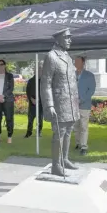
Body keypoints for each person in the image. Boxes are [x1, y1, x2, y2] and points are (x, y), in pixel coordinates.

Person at [40, 28, 80, 176]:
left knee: (69, 130)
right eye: (67, 37)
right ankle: (56, 165)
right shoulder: (52, 56)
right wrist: (49, 104)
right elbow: (46, 83)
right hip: (58, 102)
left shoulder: (67, 56)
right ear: (58, 39)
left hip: (70, 101)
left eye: (70, 37)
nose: (70, 40)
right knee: (59, 132)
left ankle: (65, 159)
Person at [73, 56, 96, 156]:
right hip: (73, 105)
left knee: (84, 126)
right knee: (76, 126)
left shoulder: (89, 75)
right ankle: (78, 143)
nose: (76, 63)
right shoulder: (72, 75)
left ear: (83, 63)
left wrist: (81, 100)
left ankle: (84, 146)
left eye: (78, 61)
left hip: (84, 105)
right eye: (75, 61)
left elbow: (91, 90)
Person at [0, 59, 15, 144]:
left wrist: (3, 96)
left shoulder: (10, 76)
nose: (0, 66)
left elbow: (11, 88)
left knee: (9, 118)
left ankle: (9, 136)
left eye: (1, 64)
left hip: (8, 100)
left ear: (5, 65)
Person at [25, 64, 43, 138]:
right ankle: (29, 132)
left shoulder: (43, 81)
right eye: (36, 70)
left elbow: (45, 92)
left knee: (40, 119)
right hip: (32, 103)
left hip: (40, 103)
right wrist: (32, 99)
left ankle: (39, 132)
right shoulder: (31, 81)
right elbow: (27, 91)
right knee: (30, 119)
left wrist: (39, 99)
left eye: (40, 70)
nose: (38, 71)